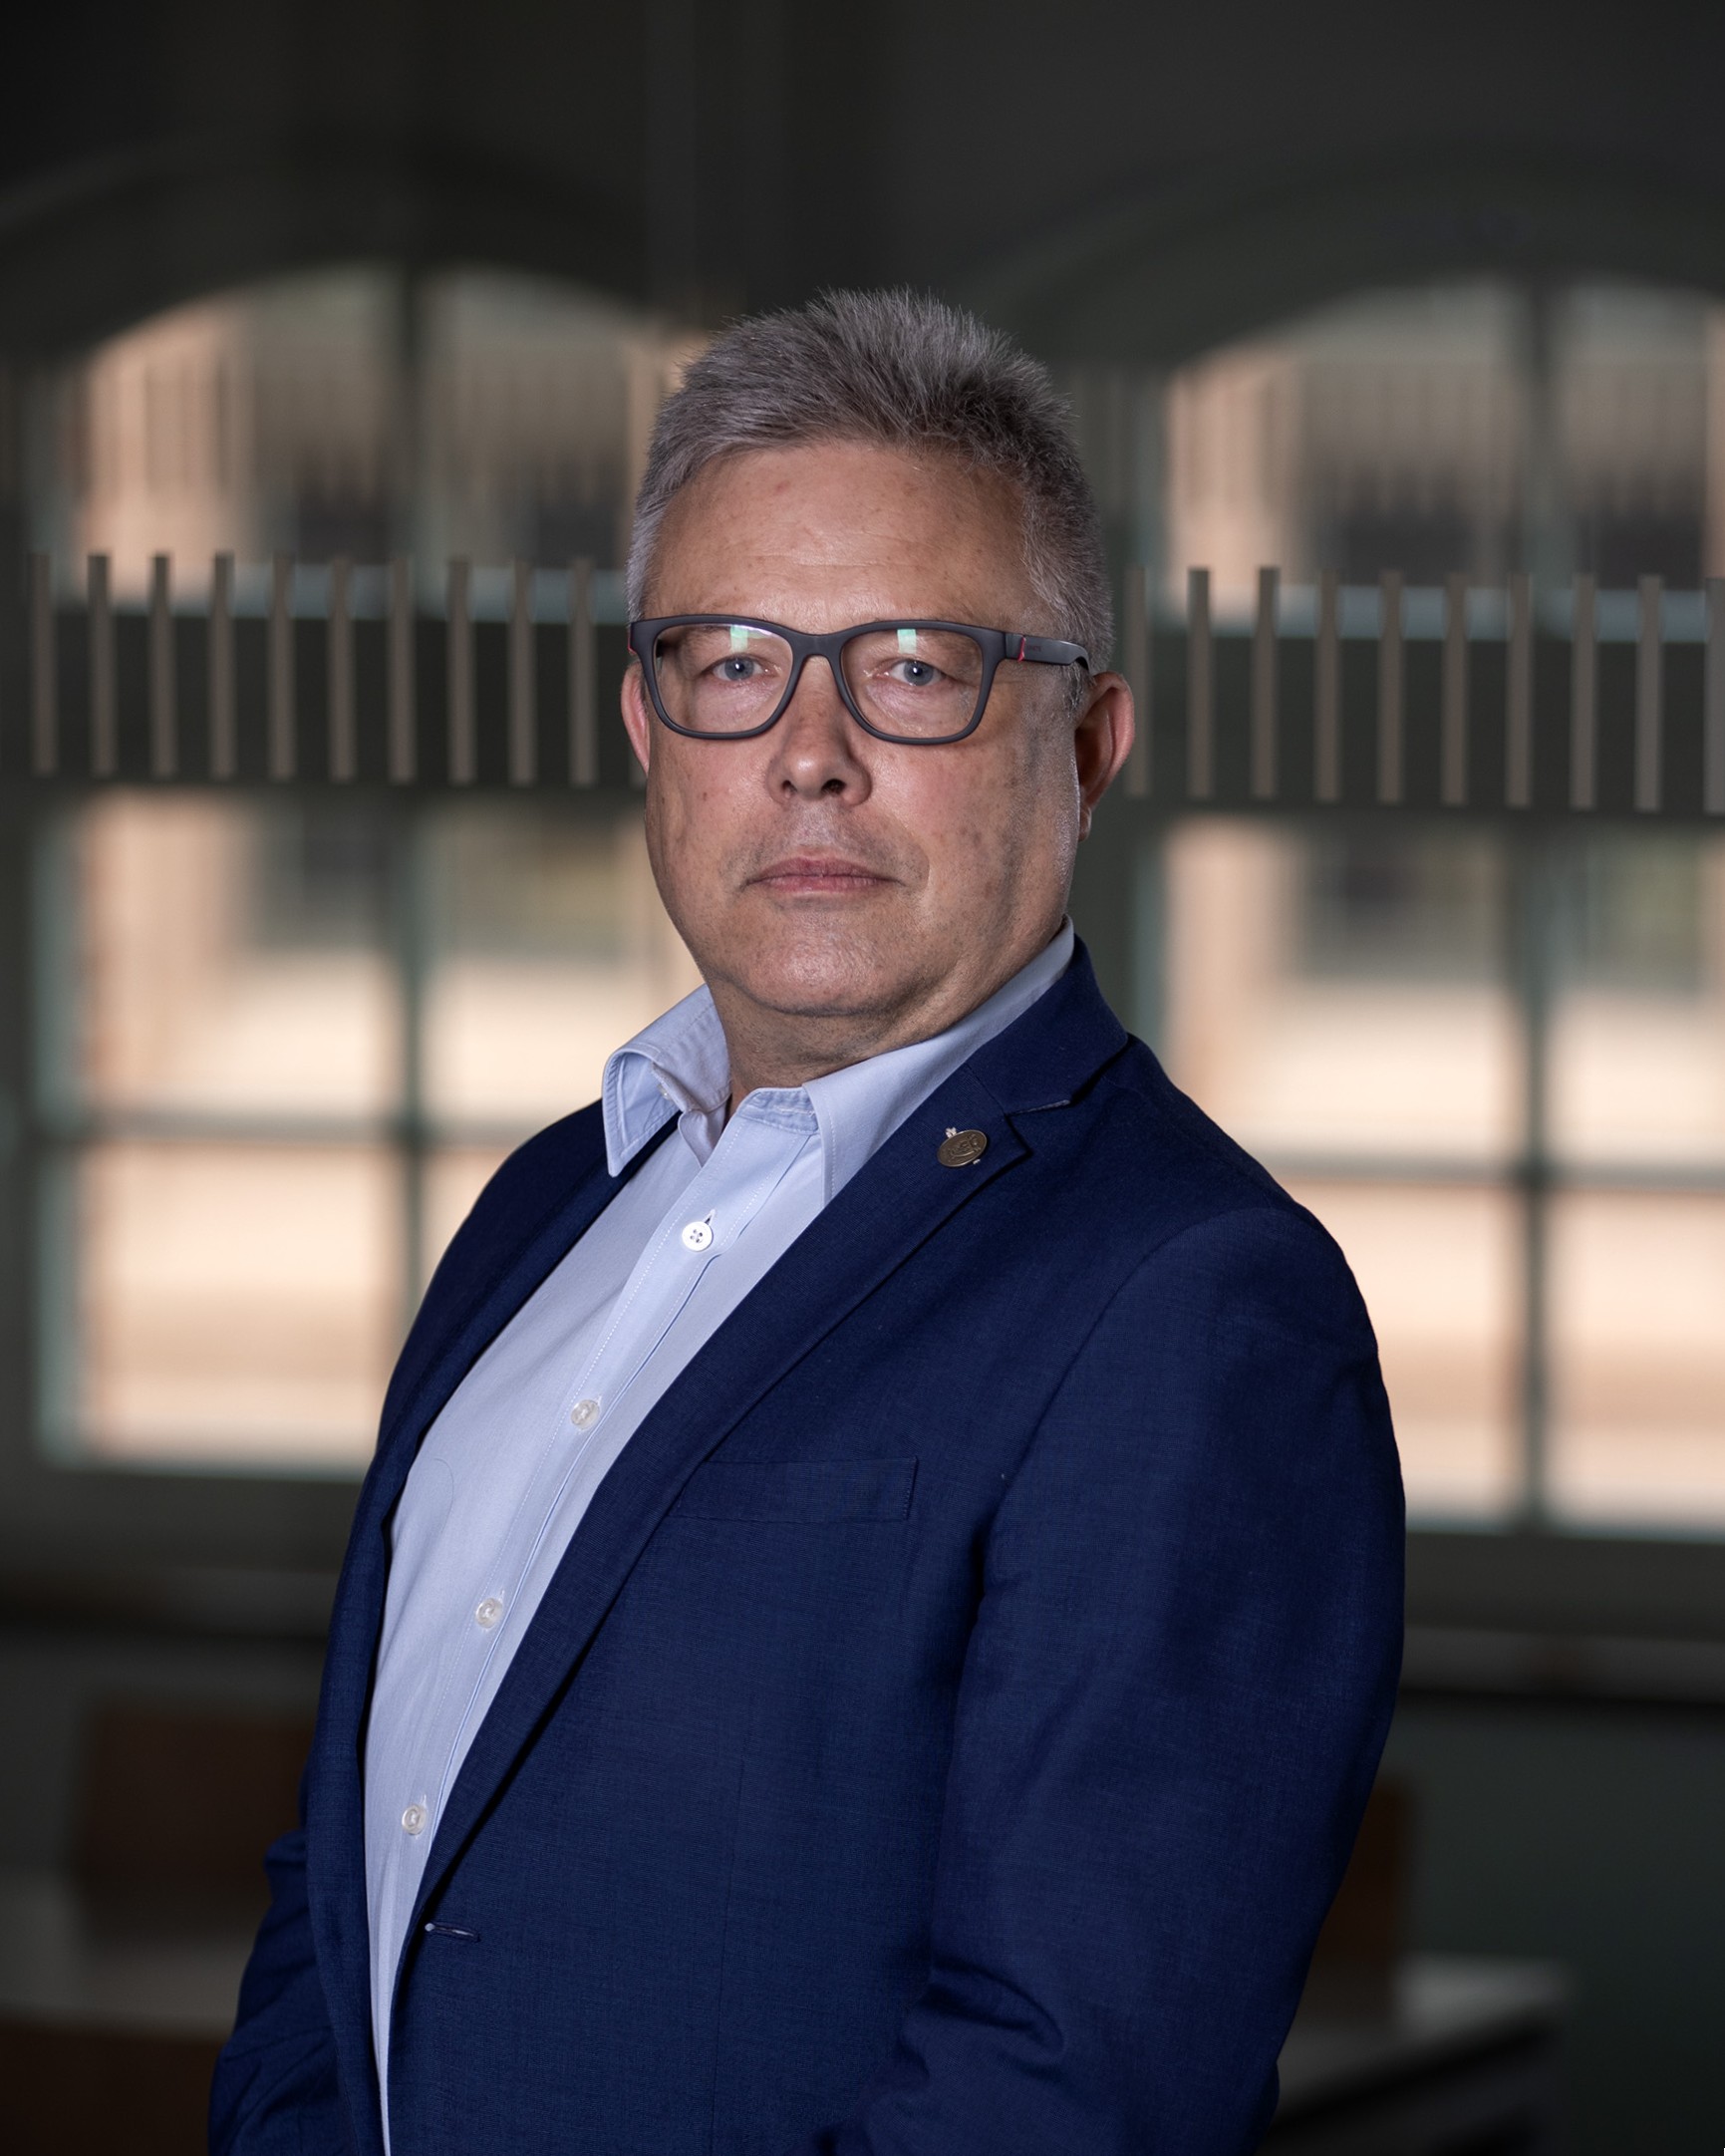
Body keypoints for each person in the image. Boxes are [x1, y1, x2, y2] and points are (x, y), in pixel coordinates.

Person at [212, 289, 1403, 2156]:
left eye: (916, 667)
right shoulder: (542, 1208)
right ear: (648, 723)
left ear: (1086, 745)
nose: (808, 752)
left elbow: (1070, 2098)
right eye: (732, 661)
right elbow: (347, 1871)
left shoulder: (1197, 1304)